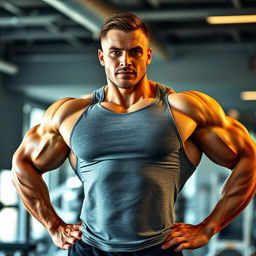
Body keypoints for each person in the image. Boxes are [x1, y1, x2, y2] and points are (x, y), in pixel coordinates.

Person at [11, 13, 255, 256]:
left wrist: (208, 228)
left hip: (159, 249)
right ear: (102, 57)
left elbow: (248, 158)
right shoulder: (70, 113)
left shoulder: (185, 109)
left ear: (148, 55)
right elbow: (23, 163)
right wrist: (54, 226)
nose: (125, 61)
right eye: (115, 52)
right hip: (90, 249)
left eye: (135, 51)